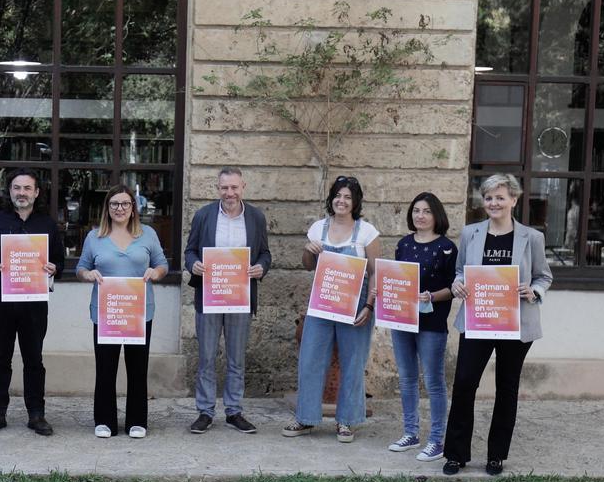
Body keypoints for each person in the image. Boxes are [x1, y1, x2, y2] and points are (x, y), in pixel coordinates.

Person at [444, 174, 552, 476]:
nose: (494, 203)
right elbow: (459, 272)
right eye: (489, 197)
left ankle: (496, 455)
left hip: (516, 325)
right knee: (464, 383)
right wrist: (458, 285)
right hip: (478, 321)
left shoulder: (532, 237)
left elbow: (544, 276)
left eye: (500, 197)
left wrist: (535, 291)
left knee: (507, 387)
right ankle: (455, 454)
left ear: (513, 200)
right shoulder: (470, 233)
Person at [284, 175, 381, 443]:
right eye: (338, 195)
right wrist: (308, 249)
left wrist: (369, 306)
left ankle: (346, 421)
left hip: (356, 303)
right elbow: (307, 265)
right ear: (332, 199)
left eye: (348, 196)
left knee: (353, 362)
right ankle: (306, 418)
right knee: (310, 359)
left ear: (355, 201)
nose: (342, 200)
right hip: (323, 302)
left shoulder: (367, 232)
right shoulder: (318, 228)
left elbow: (375, 272)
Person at [0, 169, 65, 436]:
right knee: (0, 358)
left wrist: (54, 267)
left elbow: (60, 260)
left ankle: (36, 415)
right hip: (0, 299)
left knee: (34, 359)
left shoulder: (47, 225)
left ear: (36, 192)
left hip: (34, 302)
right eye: (16, 188)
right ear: (9, 191)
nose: (21, 193)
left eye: (26, 188)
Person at [76, 184, 169, 439]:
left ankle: (137, 421)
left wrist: (155, 272)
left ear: (133, 208)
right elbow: (81, 268)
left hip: (139, 312)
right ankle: (104, 420)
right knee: (105, 367)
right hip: (107, 312)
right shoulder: (94, 237)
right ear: (107, 207)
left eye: (125, 204)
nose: (120, 208)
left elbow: (163, 264)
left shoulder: (147, 234)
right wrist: (89, 274)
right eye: (115, 204)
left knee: (137, 367)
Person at [183, 167, 271, 434]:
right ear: (217, 188)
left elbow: (265, 254)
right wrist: (194, 264)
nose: (229, 193)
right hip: (209, 296)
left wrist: (261, 268)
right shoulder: (204, 215)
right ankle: (205, 412)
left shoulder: (255, 217)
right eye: (224, 188)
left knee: (236, 358)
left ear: (243, 186)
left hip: (240, 297)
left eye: (234, 187)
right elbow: (189, 250)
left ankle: (234, 411)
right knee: (207, 357)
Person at [386, 192, 457, 461]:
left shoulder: (447, 247)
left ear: (436, 215)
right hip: (402, 320)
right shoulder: (403, 244)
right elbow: (397, 278)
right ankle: (411, 433)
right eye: (416, 210)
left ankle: (437, 440)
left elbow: (453, 288)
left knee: (434, 382)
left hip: (432, 323)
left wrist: (430, 296)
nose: (420, 215)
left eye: (426, 211)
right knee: (406, 379)